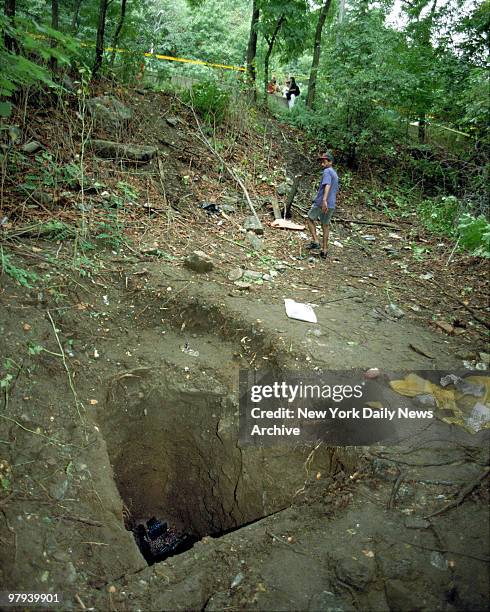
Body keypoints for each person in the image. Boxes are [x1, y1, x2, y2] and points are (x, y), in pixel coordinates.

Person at [306, 152, 339, 259]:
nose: (322, 164)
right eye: (322, 162)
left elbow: (327, 185)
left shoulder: (327, 171)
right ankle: (324, 250)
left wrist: (324, 200)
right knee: (325, 225)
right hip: (332, 204)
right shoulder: (334, 173)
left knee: (310, 218)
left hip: (322, 202)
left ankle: (316, 241)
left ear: (330, 162)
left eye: (324, 161)